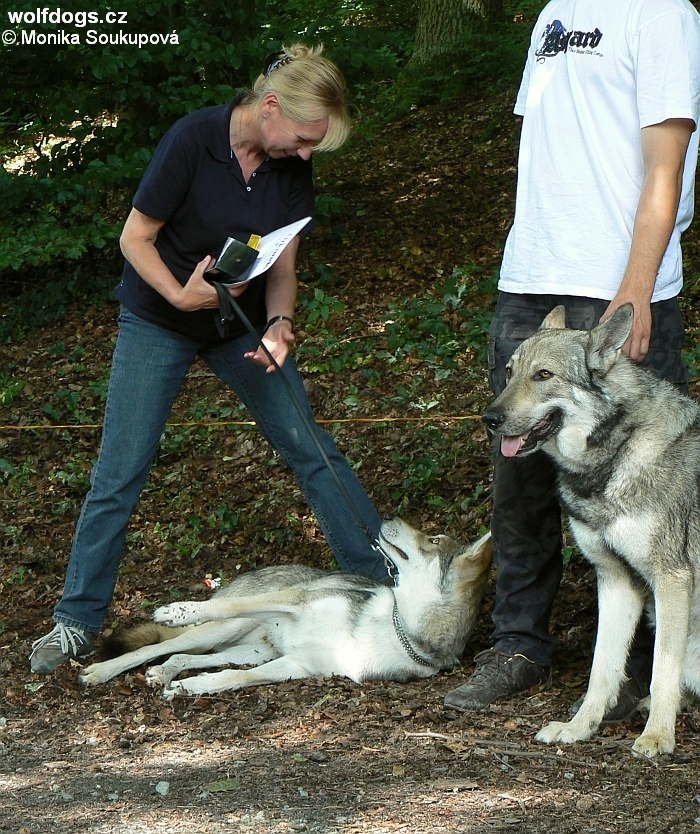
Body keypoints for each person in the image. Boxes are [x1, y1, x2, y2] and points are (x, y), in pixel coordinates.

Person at [30, 43, 387, 674]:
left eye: (314, 145)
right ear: (269, 107)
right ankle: (75, 624)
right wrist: (176, 291)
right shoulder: (194, 139)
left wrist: (280, 326)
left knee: (312, 447)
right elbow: (133, 237)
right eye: (303, 138)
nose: (306, 153)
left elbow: (283, 261)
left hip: (235, 328)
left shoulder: (290, 165)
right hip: (158, 319)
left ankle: (383, 588)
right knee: (120, 470)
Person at [445, 0, 700, 715]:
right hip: (530, 280)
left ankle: (650, 674)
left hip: (615, 285)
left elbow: (666, 162)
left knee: (649, 488)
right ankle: (519, 645)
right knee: (517, 475)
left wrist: (636, 290)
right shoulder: (556, 11)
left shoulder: (664, 15)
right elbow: (549, 148)